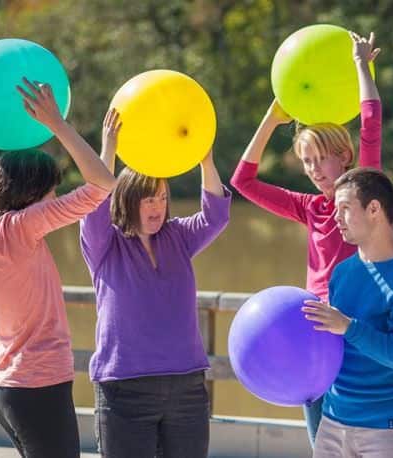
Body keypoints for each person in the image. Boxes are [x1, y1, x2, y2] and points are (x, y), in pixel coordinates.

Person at [230, 31, 382, 446]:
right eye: (306, 162)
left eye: (320, 159)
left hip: (356, 328)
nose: (314, 169)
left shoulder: (366, 192)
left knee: (362, 438)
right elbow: (242, 181)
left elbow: (370, 124)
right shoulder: (309, 207)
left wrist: (360, 66)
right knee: (324, 445)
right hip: (311, 335)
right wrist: (271, 119)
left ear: (344, 157)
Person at [0, 79, 117, 458]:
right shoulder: (21, 228)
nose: (55, 198)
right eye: (51, 190)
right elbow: (102, 186)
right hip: (38, 386)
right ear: (31, 193)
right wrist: (56, 124)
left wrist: (108, 149)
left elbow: (99, 186)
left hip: (7, 387)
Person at [80, 110, 230, 458]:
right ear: (128, 200)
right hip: (124, 390)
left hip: (187, 386)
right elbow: (94, 206)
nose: (158, 207)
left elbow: (216, 216)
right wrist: (109, 152)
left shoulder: (178, 236)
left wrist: (205, 159)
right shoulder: (104, 244)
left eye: (162, 198)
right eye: (149, 198)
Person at [302, 167, 393, 458]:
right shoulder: (341, 273)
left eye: (345, 208)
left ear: (374, 209)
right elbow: (333, 345)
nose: (336, 218)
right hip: (332, 419)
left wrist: (349, 326)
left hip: (386, 430)